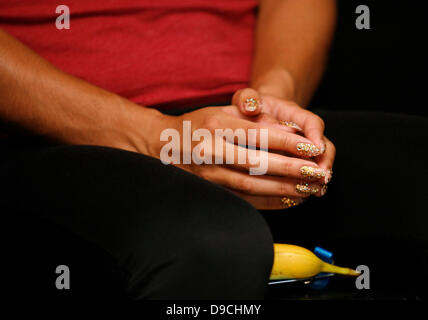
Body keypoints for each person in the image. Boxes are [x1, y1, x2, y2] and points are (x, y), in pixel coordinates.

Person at [0, 0, 426, 300]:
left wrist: (272, 98)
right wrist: (155, 135)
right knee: (216, 244)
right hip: (50, 130)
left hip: (229, 113)